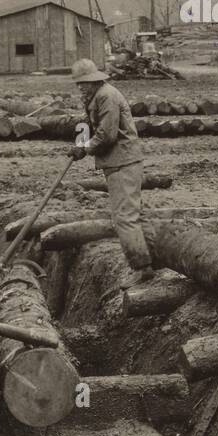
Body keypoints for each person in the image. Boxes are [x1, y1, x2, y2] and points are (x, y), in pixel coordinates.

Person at [65, 58, 153, 286]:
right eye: (78, 84)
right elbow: (88, 123)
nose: (80, 87)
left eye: (83, 83)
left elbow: (107, 134)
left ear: (94, 80)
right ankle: (149, 260)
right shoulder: (95, 96)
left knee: (125, 217)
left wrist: (84, 149)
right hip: (117, 162)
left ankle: (142, 269)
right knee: (131, 214)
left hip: (124, 162)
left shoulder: (106, 96)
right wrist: (80, 141)